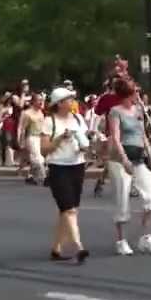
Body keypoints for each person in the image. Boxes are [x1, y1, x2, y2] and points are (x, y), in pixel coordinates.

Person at [105, 78, 151, 256]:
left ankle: (146, 239)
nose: (138, 95)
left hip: (140, 158)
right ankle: (121, 241)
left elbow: (143, 135)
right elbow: (115, 137)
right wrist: (124, 160)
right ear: (128, 95)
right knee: (123, 201)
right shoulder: (115, 112)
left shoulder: (138, 111)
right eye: (135, 92)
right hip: (121, 160)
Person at [41, 87, 90, 264]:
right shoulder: (49, 121)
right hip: (58, 167)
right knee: (68, 209)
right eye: (68, 99)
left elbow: (85, 141)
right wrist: (61, 137)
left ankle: (56, 249)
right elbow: (44, 149)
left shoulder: (78, 118)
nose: (72, 102)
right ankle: (79, 247)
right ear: (59, 103)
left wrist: (88, 141)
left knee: (69, 210)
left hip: (77, 165)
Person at [18, 91, 47, 185]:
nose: (41, 102)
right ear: (33, 101)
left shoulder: (41, 112)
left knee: (34, 158)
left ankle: (30, 176)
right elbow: (21, 128)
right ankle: (44, 178)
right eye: (39, 100)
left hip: (40, 137)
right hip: (31, 137)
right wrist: (20, 140)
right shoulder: (27, 113)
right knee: (38, 159)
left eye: (42, 100)